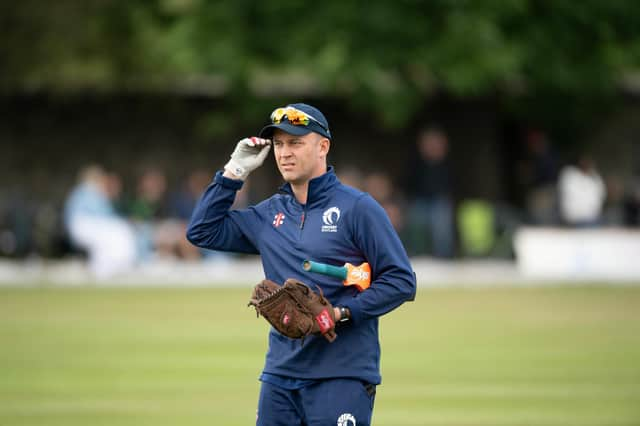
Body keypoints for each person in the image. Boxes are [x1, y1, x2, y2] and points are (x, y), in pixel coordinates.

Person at [186, 103, 416, 426]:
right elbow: (201, 231)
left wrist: (341, 313)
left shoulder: (359, 209)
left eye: (295, 143)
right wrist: (234, 172)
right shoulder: (268, 214)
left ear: (323, 146)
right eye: (279, 144)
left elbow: (402, 281)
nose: (284, 153)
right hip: (280, 377)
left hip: (342, 375)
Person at [63, 165, 137, 279]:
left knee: (116, 234)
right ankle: (104, 269)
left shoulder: (83, 192)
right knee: (119, 231)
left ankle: (110, 268)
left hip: (85, 225)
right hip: (85, 225)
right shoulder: (89, 191)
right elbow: (103, 214)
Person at [406, 126, 455, 257]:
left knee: (442, 224)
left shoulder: (447, 164)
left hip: (439, 201)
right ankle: (418, 254)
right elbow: (409, 183)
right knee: (415, 223)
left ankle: (443, 256)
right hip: (420, 200)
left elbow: (451, 185)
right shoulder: (416, 163)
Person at [558, 153, 607, 227]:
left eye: (589, 162)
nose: (587, 164)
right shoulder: (570, 175)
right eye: (584, 161)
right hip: (573, 220)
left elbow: (602, 195)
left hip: (593, 220)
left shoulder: (595, 178)